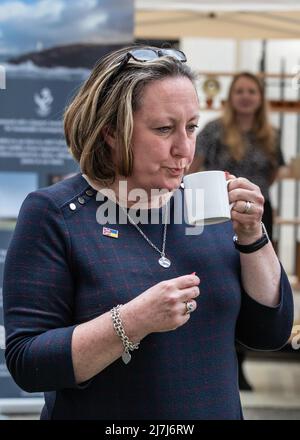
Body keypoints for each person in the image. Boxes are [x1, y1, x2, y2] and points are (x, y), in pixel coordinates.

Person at [3, 47, 293, 420]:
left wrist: (254, 235)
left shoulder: (207, 204)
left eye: (191, 127)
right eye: (163, 129)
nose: (185, 149)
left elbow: (270, 333)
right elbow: (28, 362)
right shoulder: (55, 213)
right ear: (111, 132)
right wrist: (132, 321)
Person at [189, 72, 291, 390]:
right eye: (240, 91)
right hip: (216, 215)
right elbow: (194, 168)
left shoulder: (270, 134)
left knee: (256, 285)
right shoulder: (213, 129)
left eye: (252, 91)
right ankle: (220, 356)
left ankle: (241, 363)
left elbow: (273, 174)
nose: (245, 96)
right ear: (230, 96)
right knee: (223, 283)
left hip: (258, 215)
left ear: (260, 98)